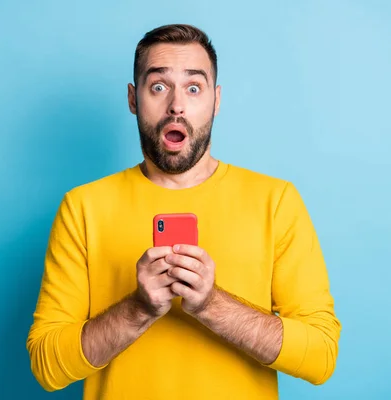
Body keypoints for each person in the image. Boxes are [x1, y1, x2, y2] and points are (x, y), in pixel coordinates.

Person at [26, 24, 341, 399]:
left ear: (216, 100)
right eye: (158, 86)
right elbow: (47, 367)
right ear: (132, 98)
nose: (176, 104)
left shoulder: (276, 201)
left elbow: (321, 356)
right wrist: (139, 308)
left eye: (194, 88)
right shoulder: (83, 208)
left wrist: (211, 304)